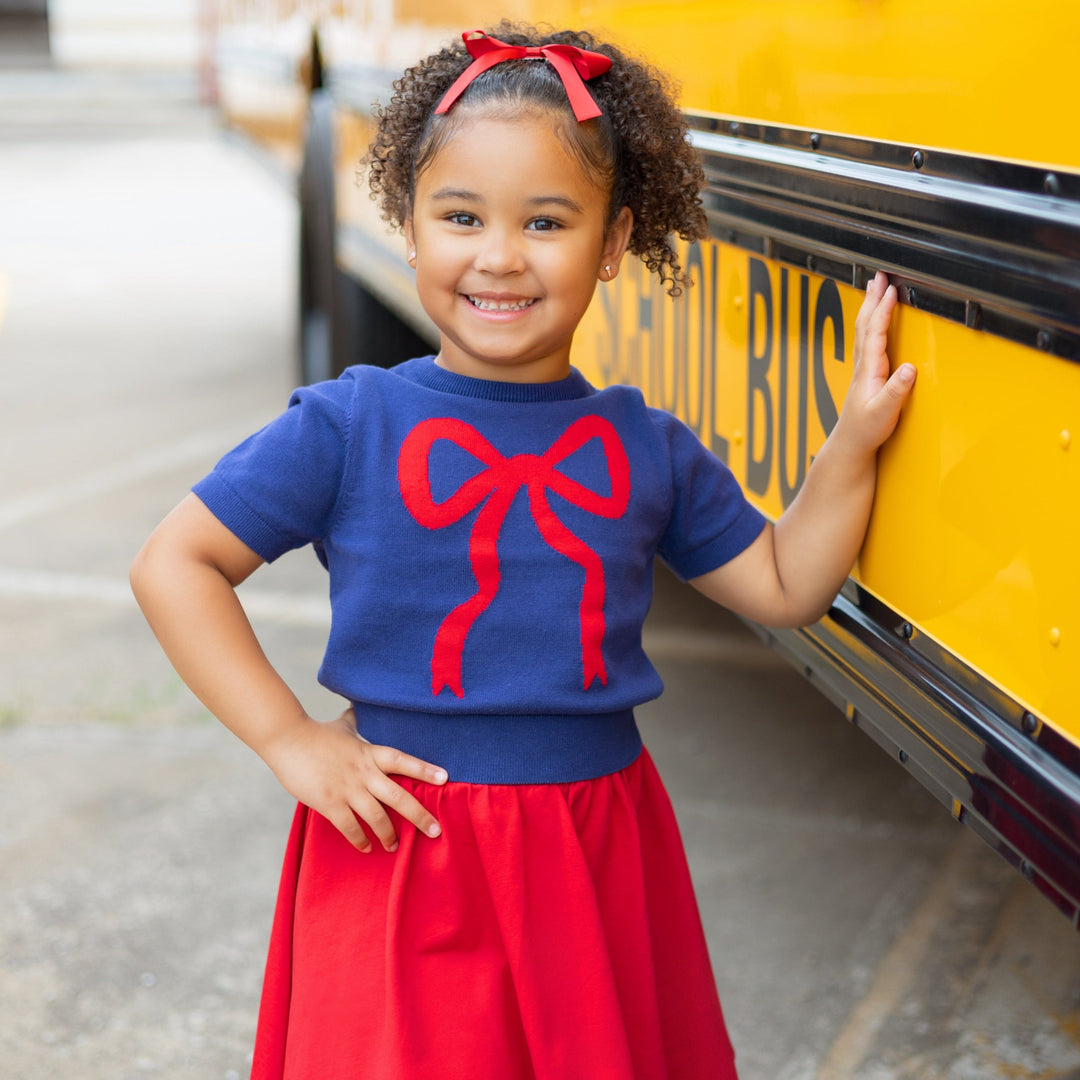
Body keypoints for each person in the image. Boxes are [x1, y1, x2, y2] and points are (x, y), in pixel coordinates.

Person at [130, 22, 915, 1080]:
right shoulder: (347, 424)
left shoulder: (645, 446)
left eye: (546, 221)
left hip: (592, 854)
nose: (499, 255)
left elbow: (782, 582)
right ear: (408, 226)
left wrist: (853, 442)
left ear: (612, 239)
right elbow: (175, 564)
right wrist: (289, 740)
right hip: (402, 847)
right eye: (461, 216)